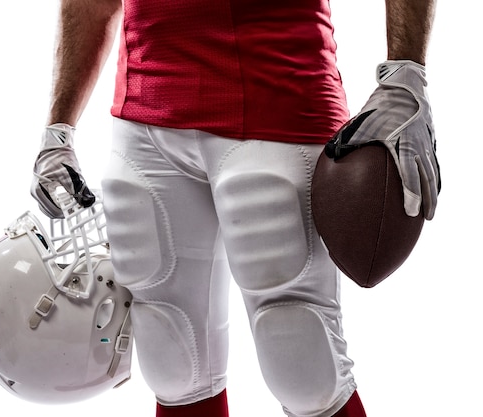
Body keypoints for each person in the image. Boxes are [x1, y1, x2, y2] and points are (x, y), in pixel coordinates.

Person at [30, 0, 440, 416]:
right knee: (173, 364)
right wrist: (59, 129)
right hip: (145, 115)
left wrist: (407, 72)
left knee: (304, 366)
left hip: (278, 100)